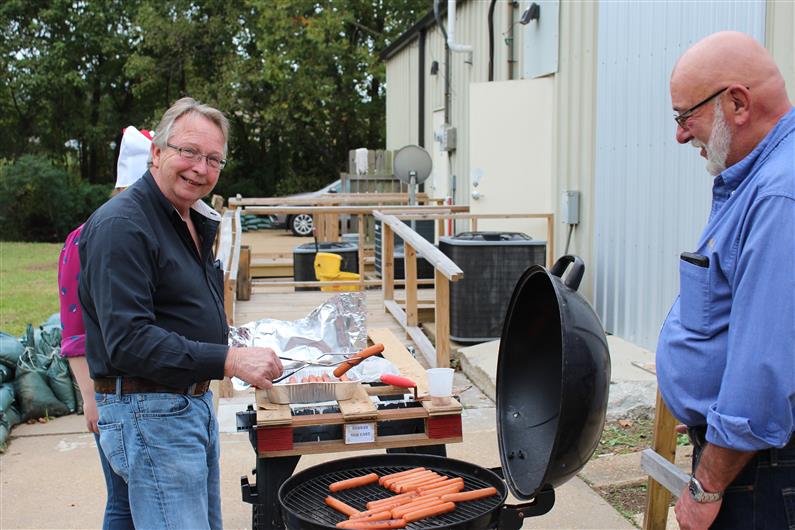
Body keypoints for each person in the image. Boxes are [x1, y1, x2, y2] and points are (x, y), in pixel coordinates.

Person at [78, 97, 283, 529]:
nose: (200, 168)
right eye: (188, 152)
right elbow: (129, 340)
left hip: (184, 406)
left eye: (213, 159)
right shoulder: (123, 226)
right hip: (149, 413)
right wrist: (229, 360)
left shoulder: (185, 217)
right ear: (157, 152)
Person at [657, 31, 795, 530]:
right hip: (751, 464)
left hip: (759, 477)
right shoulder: (756, 177)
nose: (679, 134)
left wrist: (707, 484)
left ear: (737, 102)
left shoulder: (780, 194)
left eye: (683, 115)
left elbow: (761, 375)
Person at [58, 125, 152, 529]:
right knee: (123, 501)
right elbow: (74, 331)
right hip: (113, 392)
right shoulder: (89, 238)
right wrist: (89, 397)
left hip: (156, 393)